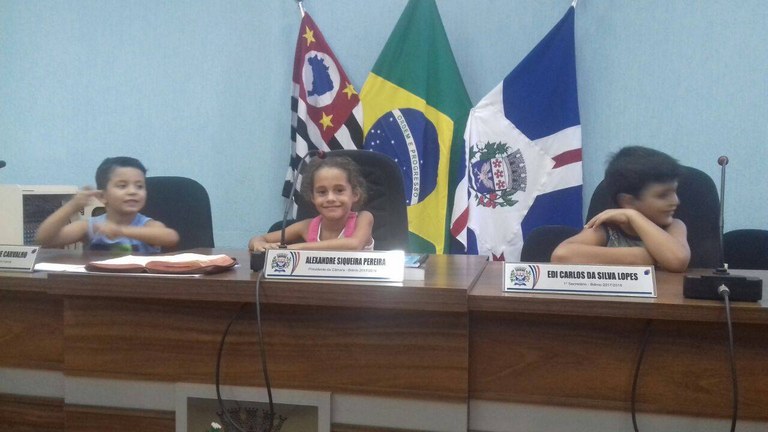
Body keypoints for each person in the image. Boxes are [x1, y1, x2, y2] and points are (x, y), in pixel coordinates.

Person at [551, 146, 690, 272]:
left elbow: (677, 261)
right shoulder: (606, 229)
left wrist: (634, 216)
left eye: (675, 192)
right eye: (663, 195)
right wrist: (638, 257)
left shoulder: (673, 226)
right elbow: (561, 256)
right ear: (627, 201)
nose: (676, 201)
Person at [35, 156, 179, 253]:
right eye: (122, 186)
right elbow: (44, 239)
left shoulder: (147, 225)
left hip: (139, 286)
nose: (133, 191)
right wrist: (72, 206)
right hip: (99, 285)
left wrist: (121, 231)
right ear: (102, 196)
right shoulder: (91, 227)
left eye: (139, 186)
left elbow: (171, 237)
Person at [249, 156, 374, 252]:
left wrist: (296, 248)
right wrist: (259, 243)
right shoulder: (307, 226)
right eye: (322, 192)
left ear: (355, 194)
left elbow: (354, 245)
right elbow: (257, 239)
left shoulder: (363, 218)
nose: (330, 198)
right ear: (313, 197)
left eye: (339, 190)